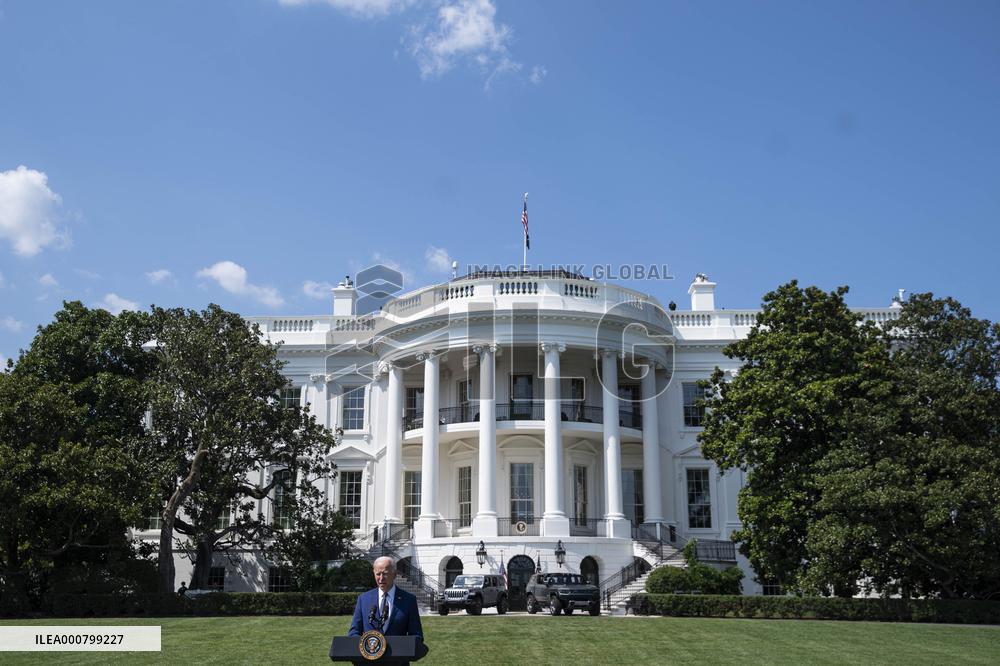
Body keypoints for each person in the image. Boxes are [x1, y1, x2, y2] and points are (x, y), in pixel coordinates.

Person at [349, 557, 423, 643]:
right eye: (378, 574)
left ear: (394, 574)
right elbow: (354, 632)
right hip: (370, 654)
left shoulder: (409, 600)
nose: (381, 578)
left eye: (385, 574)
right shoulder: (363, 599)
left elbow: (416, 635)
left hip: (398, 654)